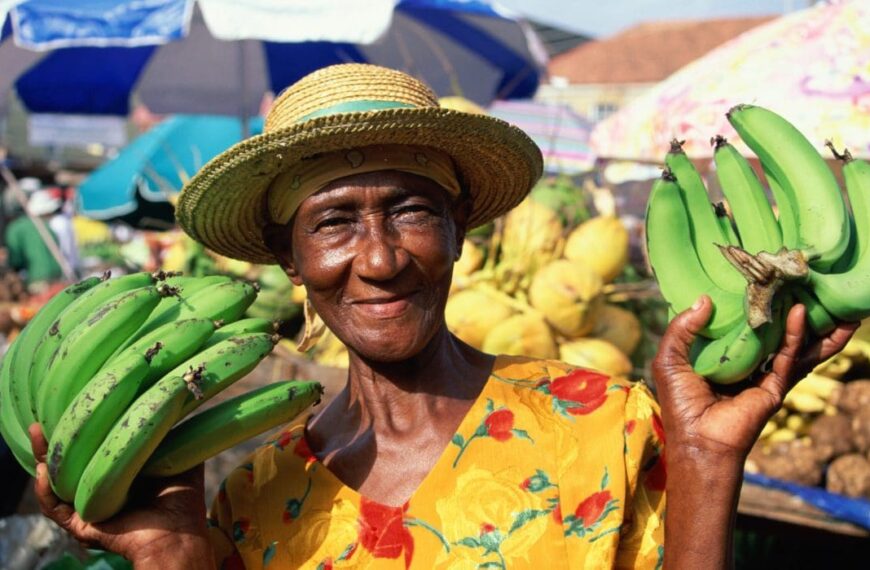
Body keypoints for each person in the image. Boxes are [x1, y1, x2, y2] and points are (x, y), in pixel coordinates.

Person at [28, 64, 855, 568]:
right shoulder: (255, 499)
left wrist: (707, 460)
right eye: (333, 222)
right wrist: (175, 555)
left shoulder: (606, 424)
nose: (381, 258)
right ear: (290, 261)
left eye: (413, 211)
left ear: (460, 231)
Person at [5, 188, 63, 292]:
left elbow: (15, 259)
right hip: (57, 276)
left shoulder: (15, 228)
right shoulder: (45, 225)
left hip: (37, 280)